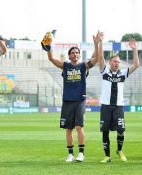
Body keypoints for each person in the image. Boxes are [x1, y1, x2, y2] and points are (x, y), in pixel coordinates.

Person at [43, 31, 102, 162]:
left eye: (77, 52)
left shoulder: (83, 66)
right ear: (69, 56)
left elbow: (97, 59)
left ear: (79, 55)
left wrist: (96, 43)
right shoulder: (65, 66)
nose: (75, 54)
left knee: (79, 127)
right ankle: (70, 154)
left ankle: (81, 153)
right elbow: (51, 58)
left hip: (80, 100)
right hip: (67, 101)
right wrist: (48, 47)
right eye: (73, 53)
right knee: (68, 129)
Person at [99, 39, 140, 163]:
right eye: (114, 61)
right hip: (106, 106)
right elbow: (100, 58)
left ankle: (120, 150)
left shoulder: (123, 73)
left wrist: (134, 49)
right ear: (110, 62)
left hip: (118, 107)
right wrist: (100, 43)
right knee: (105, 131)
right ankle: (107, 156)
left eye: (118, 62)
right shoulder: (104, 71)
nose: (117, 63)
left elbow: (136, 65)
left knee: (121, 130)